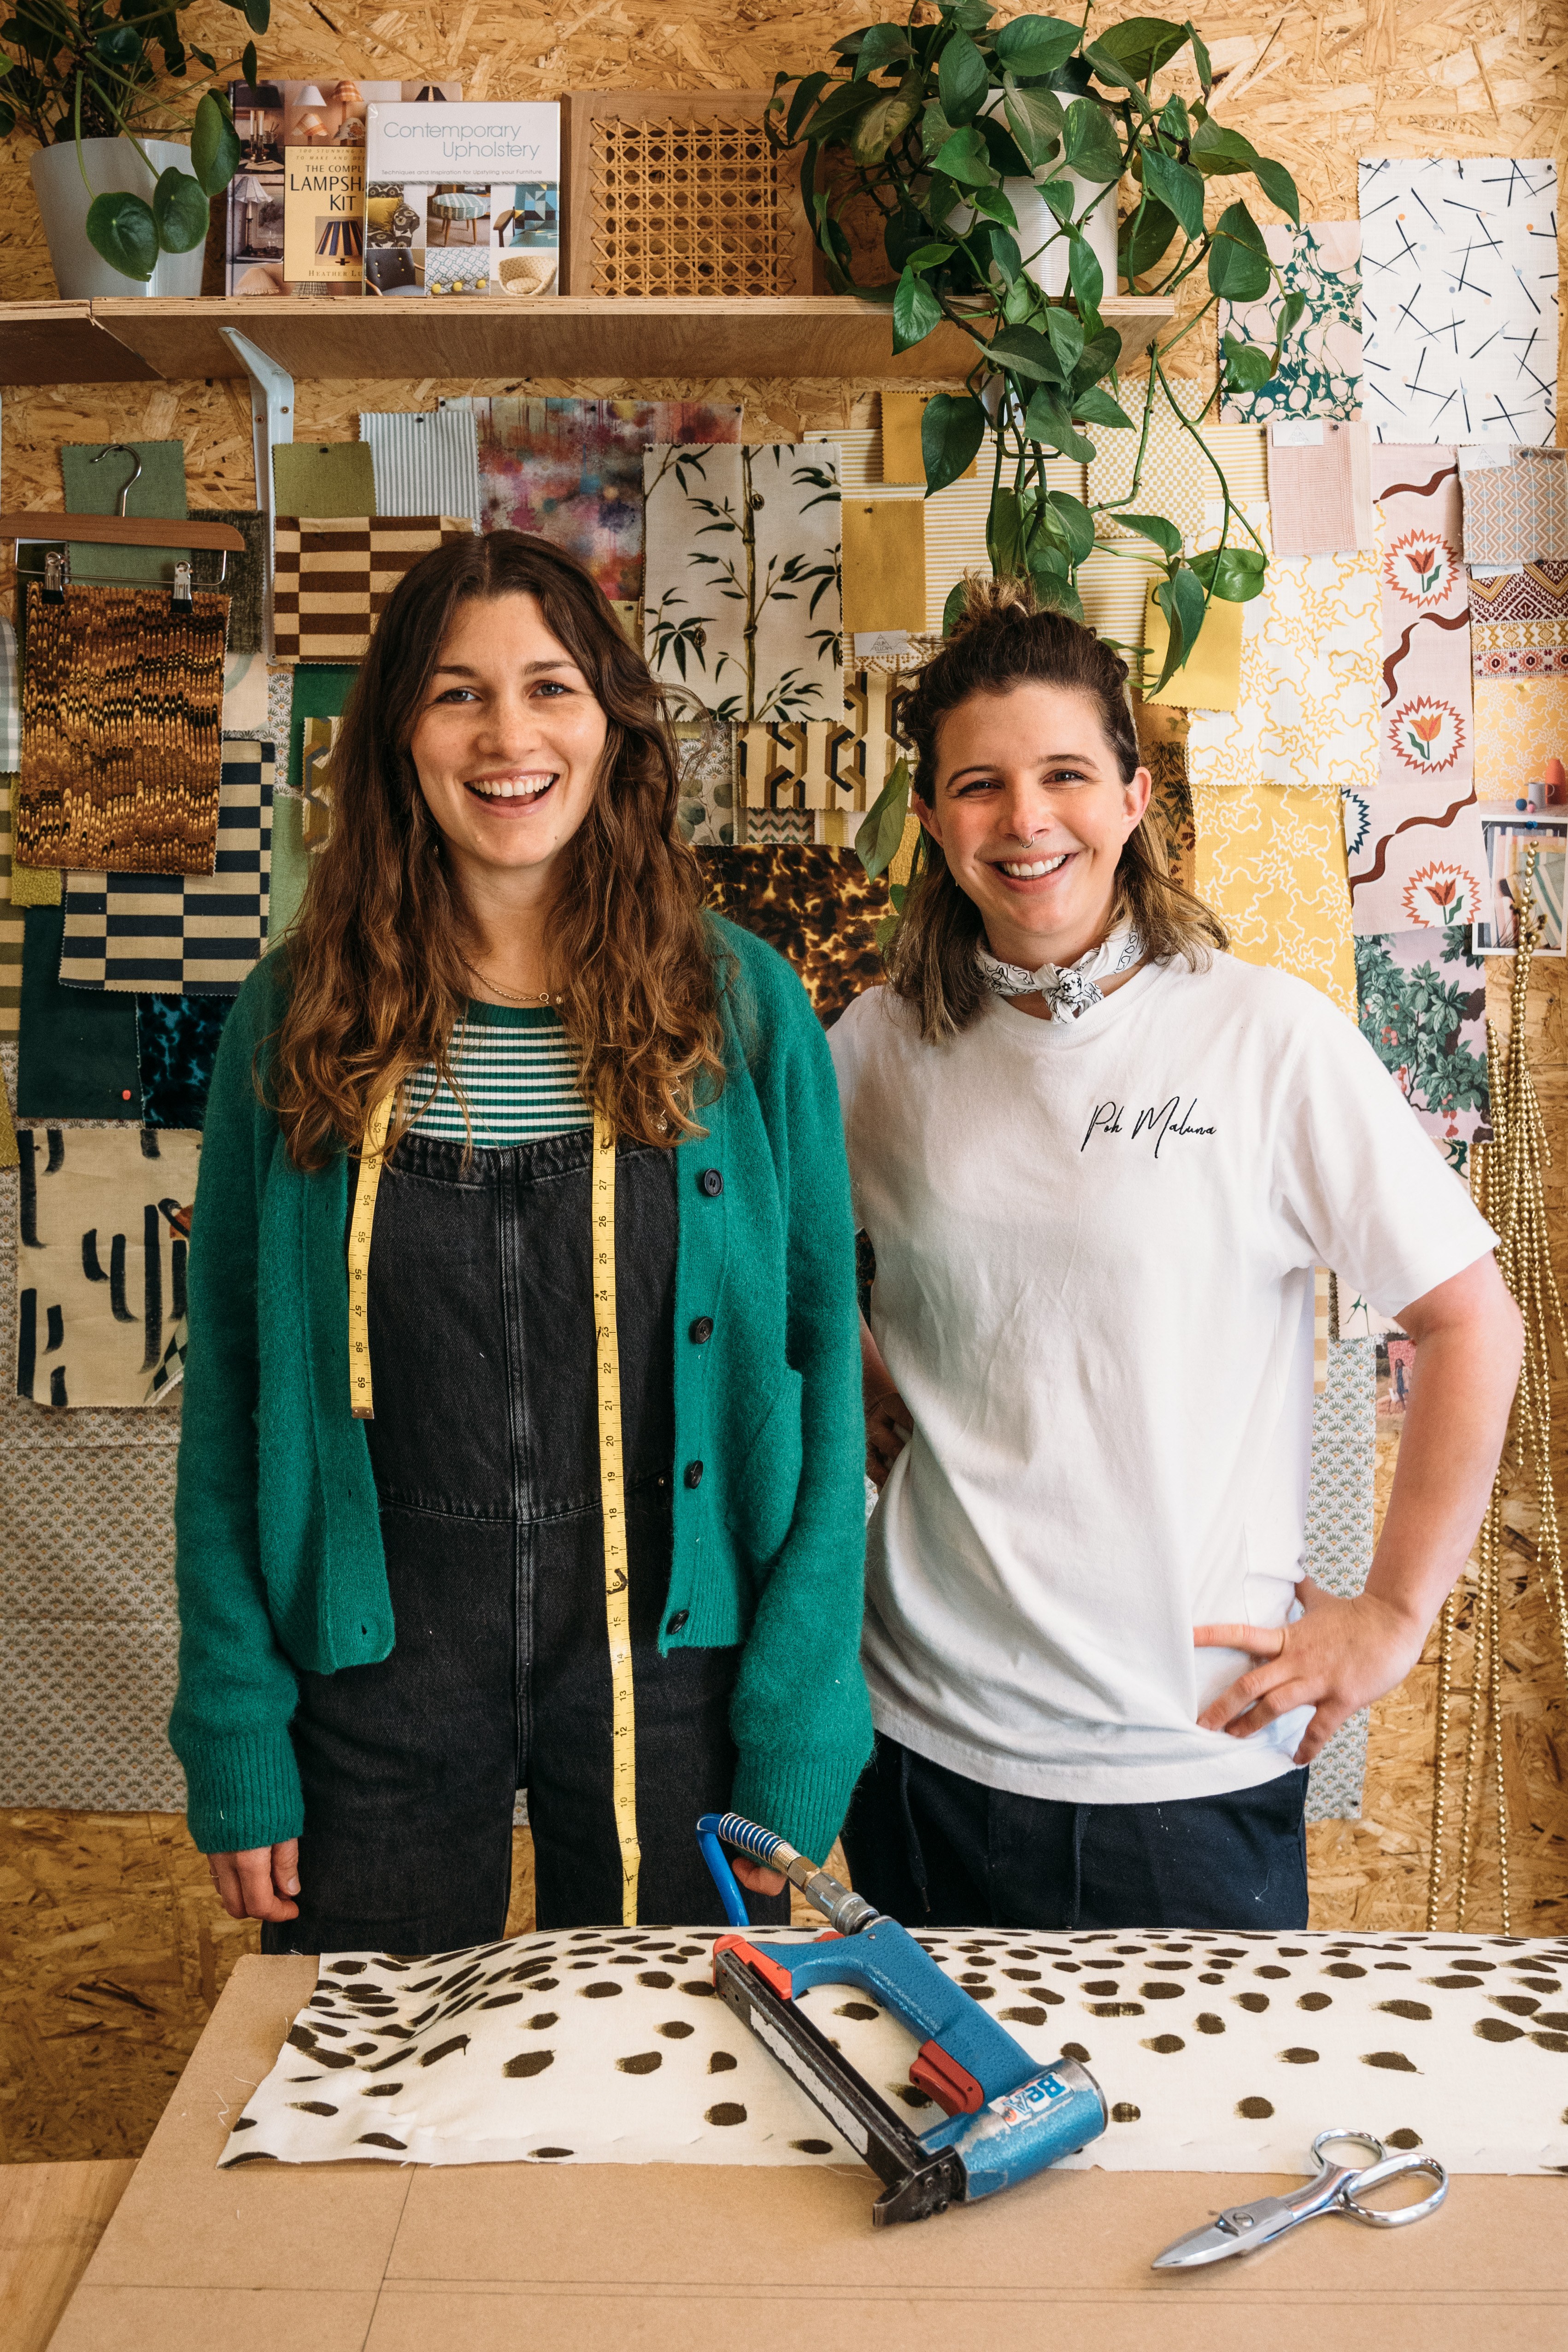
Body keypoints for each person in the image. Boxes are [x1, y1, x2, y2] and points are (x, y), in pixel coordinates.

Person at [171, 530, 871, 1952]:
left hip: (674, 1668)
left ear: (612, 721)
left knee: (669, 2095)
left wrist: (802, 1727)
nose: (508, 736)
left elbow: (819, 1374)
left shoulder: (741, 1009)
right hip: (373, 1668)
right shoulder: (293, 1013)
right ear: (396, 739)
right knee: (367, 2093)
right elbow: (236, 1396)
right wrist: (236, 1727)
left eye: (551, 687)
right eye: (455, 694)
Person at [829, 577, 1521, 1933]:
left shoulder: (1266, 1039)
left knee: (1196, 2150)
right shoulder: (876, 1048)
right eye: (977, 785)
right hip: (918, 1744)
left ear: (1135, 798)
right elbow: (774, 1263)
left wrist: (1388, 1614)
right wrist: (870, 1374)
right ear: (929, 820)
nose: (1024, 821)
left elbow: (1469, 1322)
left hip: (1182, 1762)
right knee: (939, 2133)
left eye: (1065, 776)